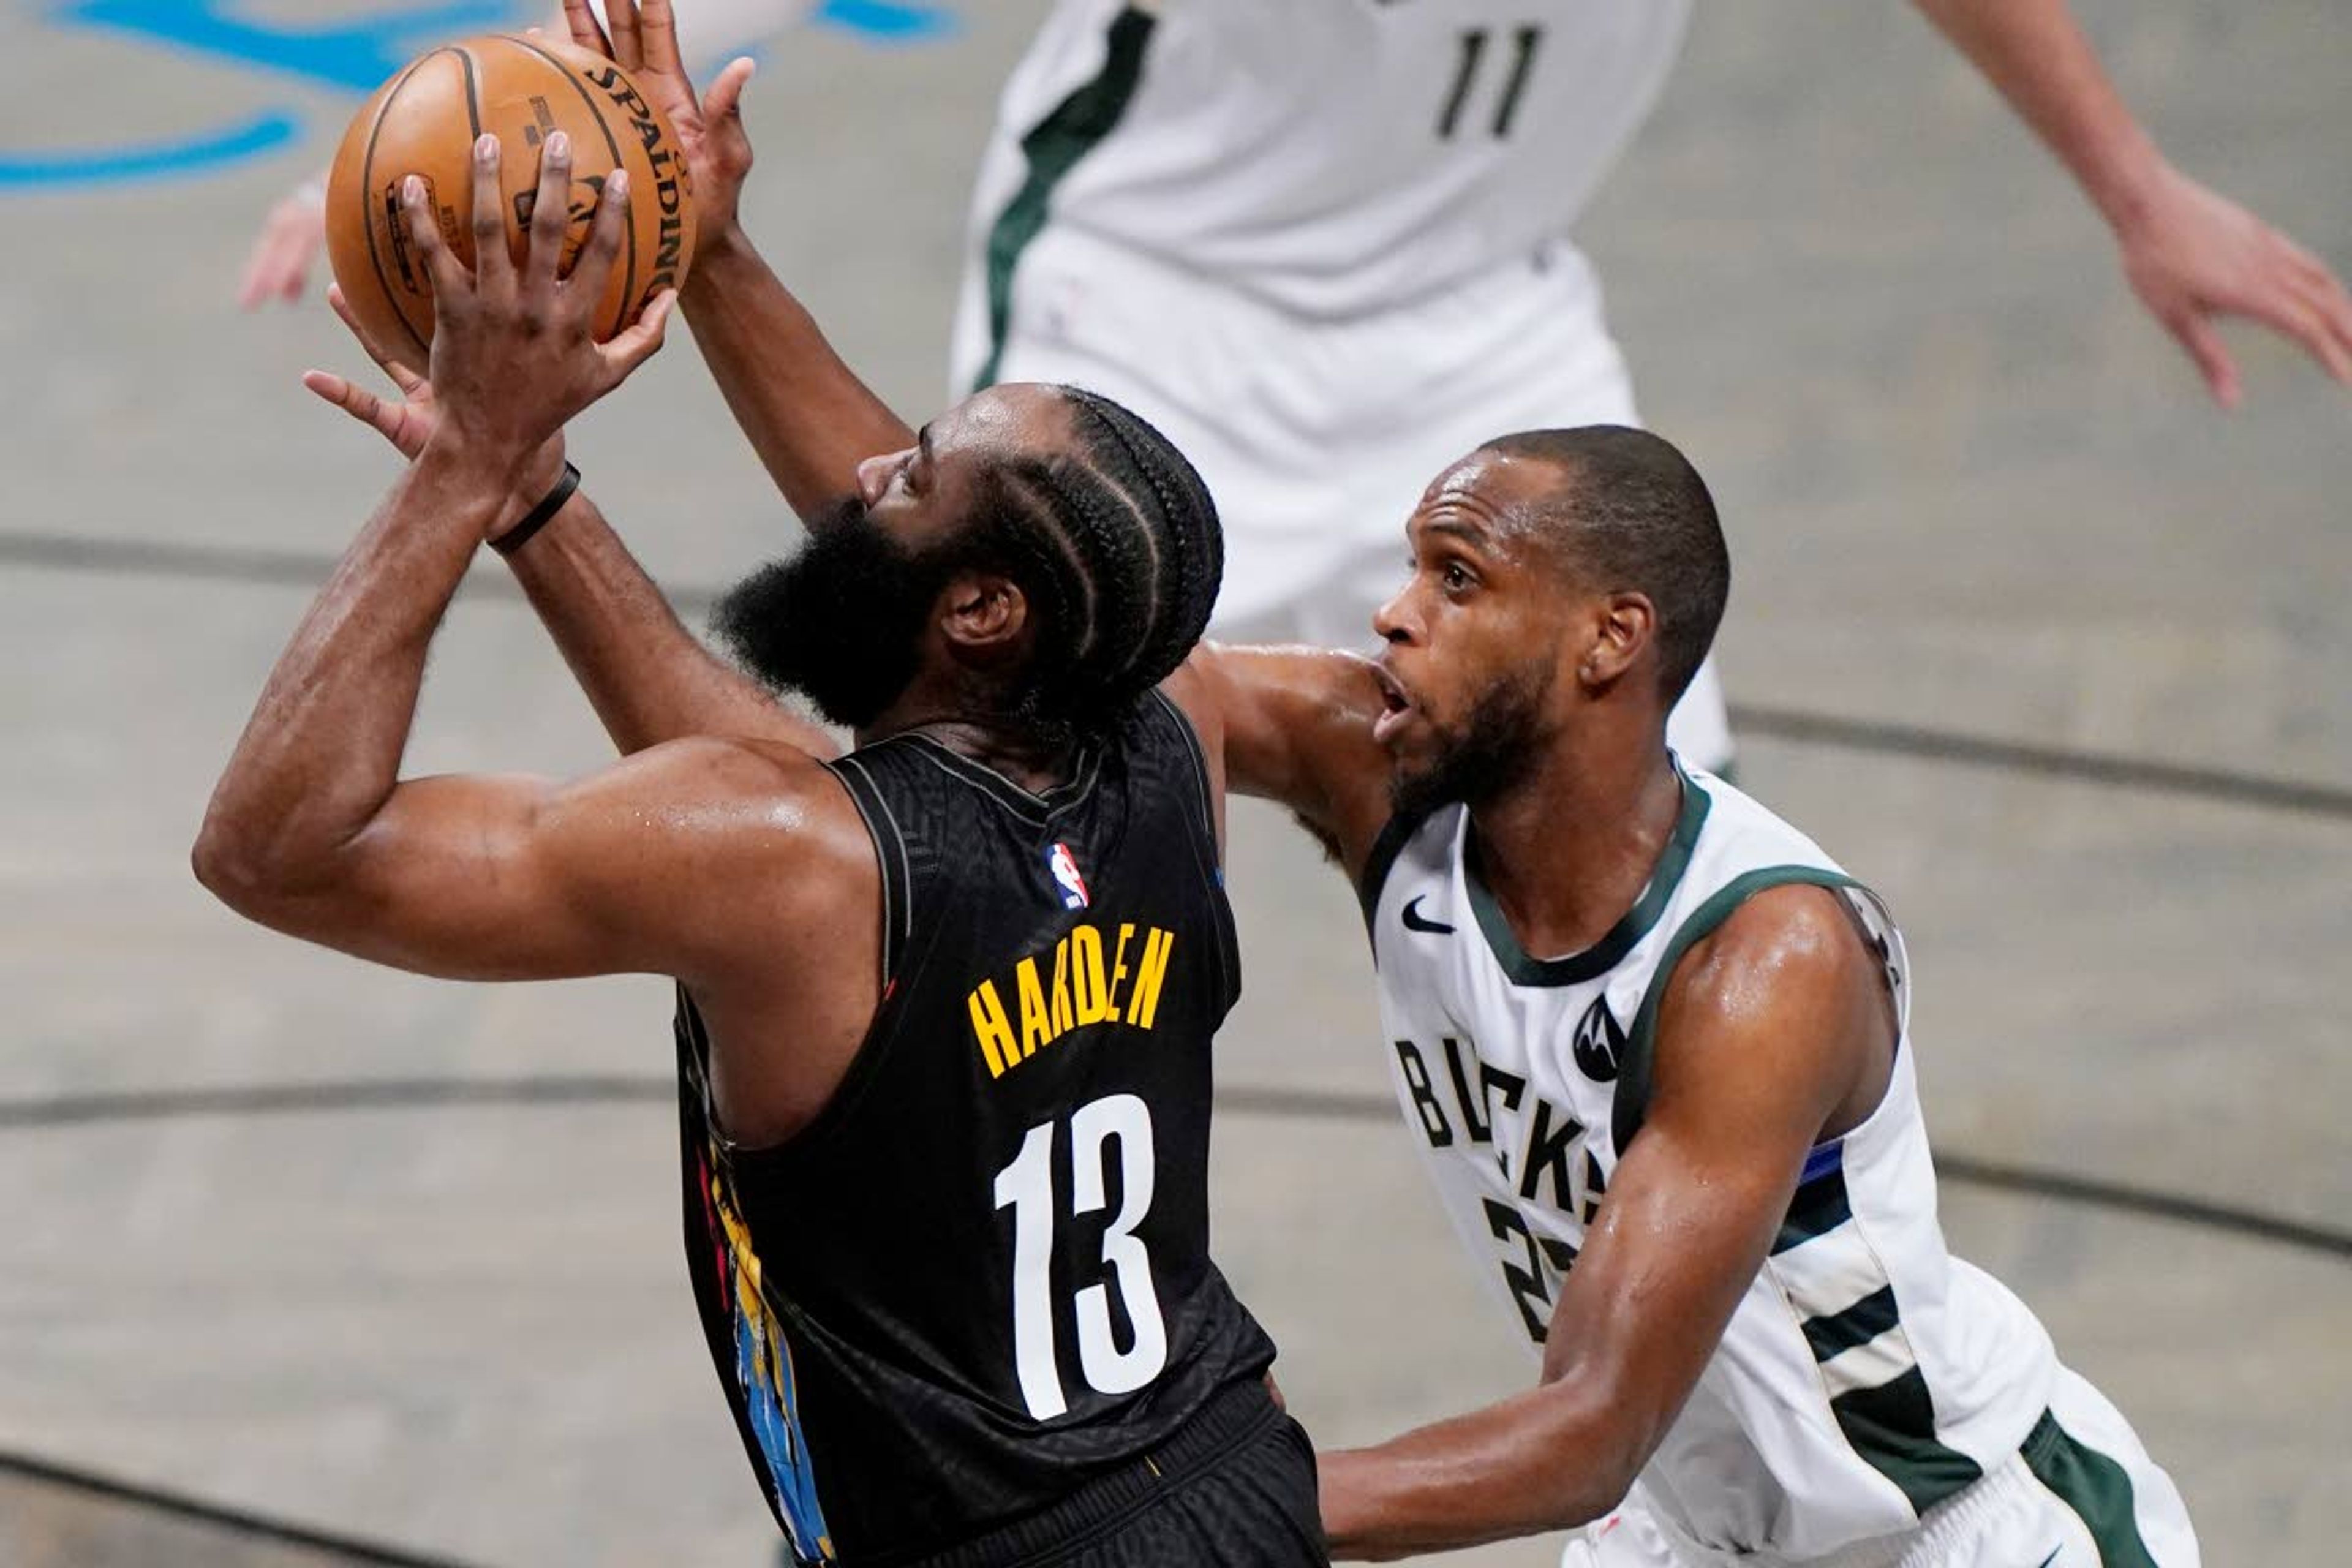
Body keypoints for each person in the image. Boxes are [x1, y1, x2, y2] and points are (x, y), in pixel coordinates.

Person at [403, 10, 2193, 1561]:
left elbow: (1582, 1430)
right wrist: (717, 259)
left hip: (1950, 1529)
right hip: (1699, 1532)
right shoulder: (1383, 764)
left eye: (1461, 584)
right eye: (1416, 564)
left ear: (1606, 647)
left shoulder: (1763, 965)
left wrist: (1134, 1512)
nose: (1394, 611)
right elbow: (999, 600)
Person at [244, 2, 2352, 773]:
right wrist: (466, 122)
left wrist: (2133, 184)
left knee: (1663, 846)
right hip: (1160, 298)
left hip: (1482, 311)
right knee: (993, 779)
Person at [197, 130, 1325, 1567]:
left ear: (982, 614)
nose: (857, 471)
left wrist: (464, 466)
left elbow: (280, 849)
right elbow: (812, 802)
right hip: (1232, 1482)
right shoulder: (1173, 726)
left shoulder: (797, 863)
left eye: (907, 474)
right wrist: (554, 474)